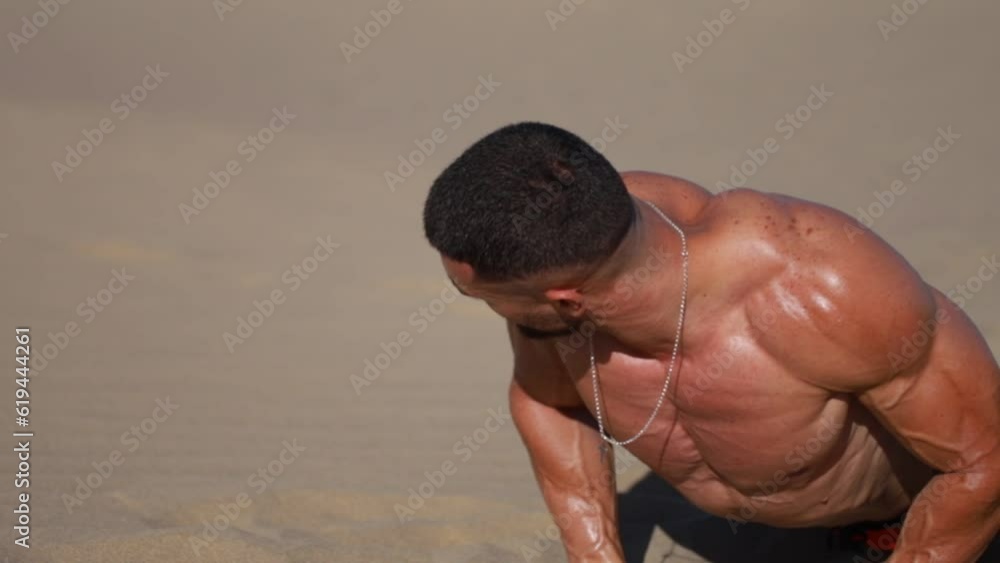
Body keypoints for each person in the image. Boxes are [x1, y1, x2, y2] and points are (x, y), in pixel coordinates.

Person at [421, 122, 1000, 562]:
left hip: (911, 523)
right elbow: (551, 402)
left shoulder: (822, 288)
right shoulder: (560, 244)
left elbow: (983, 463)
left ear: (567, 299)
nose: (490, 312)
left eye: (484, 299)